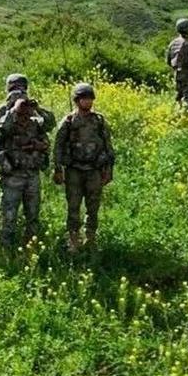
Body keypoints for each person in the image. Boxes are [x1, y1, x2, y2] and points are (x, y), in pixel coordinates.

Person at [0, 74, 56, 249]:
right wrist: (13, 111)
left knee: (33, 214)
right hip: (12, 173)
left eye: (22, 89)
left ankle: (31, 247)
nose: (19, 93)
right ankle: (6, 249)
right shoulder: (3, 111)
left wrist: (37, 108)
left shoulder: (32, 113)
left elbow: (50, 124)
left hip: (32, 173)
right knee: (8, 215)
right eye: (15, 89)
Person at [52, 83, 115, 252]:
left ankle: (91, 238)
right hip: (74, 170)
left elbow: (108, 146)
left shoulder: (99, 121)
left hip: (94, 170)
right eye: (84, 99)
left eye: (90, 99)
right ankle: (74, 240)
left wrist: (109, 169)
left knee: (93, 206)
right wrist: (58, 169)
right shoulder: (68, 121)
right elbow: (58, 146)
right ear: (77, 101)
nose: (88, 102)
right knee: (73, 206)